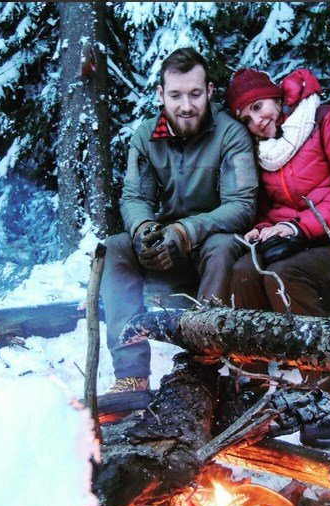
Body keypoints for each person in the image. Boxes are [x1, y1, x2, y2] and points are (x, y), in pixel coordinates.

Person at [225, 67, 330, 449]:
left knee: (283, 275)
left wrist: (298, 227)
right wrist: (266, 228)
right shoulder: (266, 154)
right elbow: (273, 209)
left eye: (259, 107)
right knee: (246, 270)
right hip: (306, 244)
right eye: (246, 118)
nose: (257, 121)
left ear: (278, 97)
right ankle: (253, 386)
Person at [101, 47, 258, 402]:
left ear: (210, 92)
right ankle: (130, 376)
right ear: (161, 95)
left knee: (221, 246)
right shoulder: (145, 136)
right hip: (166, 249)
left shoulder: (231, 135)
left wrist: (186, 232)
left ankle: (200, 365)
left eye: (194, 94)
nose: (186, 105)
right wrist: (145, 232)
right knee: (115, 247)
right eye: (175, 95)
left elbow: (241, 205)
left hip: (212, 246)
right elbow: (134, 198)